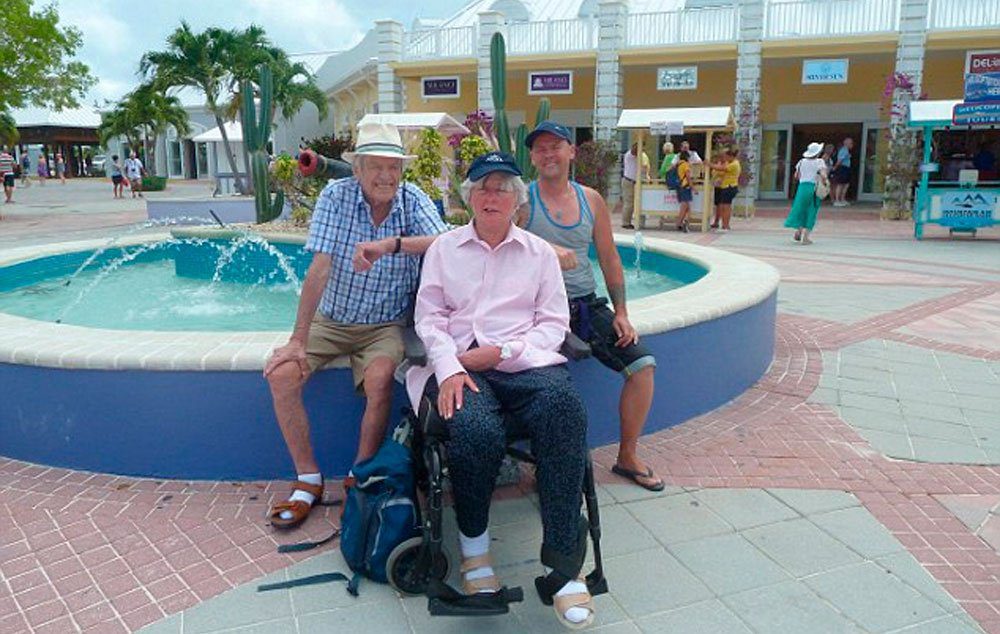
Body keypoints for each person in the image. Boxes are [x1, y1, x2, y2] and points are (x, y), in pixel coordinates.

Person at [408, 151, 595, 628]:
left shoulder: (538, 255)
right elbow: (428, 320)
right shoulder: (444, 250)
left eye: (502, 188)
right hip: (460, 367)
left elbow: (554, 324)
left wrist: (503, 353)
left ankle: (564, 563)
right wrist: (449, 366)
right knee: (473, 430)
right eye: (482, 188)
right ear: (469, 197)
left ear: (517, 200)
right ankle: (475, 555)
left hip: (523, 362)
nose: (491, 196)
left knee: (564, 408)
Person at [263, 122, 448, 529]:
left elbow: (446, 245)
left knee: (381, 378)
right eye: (375, 166)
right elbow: (320, 267)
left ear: (402, 170)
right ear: (358, 169)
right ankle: (307, 479)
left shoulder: (413, 199)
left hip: (385, 323)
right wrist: (297, 340)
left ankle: (359, 477)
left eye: (393, 167)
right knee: (281, 376)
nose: (385, 176)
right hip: (333, 318)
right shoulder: (335, 196)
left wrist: (391, 245)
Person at [520, 120, 663, 492]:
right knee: (544, 384)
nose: (549, 153)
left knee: (642, 365)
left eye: (556, 146)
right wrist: (547, 251)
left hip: (583, 303)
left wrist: (621, 312)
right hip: (534, 308)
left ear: (571, 152)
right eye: (541, 148)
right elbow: (503, 243)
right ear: (533, 157)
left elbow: (610, 258)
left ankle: (627, 456)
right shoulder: (523, 200)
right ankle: (545, 464)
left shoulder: (591, 199)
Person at [783, 142, 828, 246]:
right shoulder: (819, 162)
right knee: (811, 210)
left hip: (802, 187)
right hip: (813, 188)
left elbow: (796, 176)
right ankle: (806, 237)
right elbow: (824, 175)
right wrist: (824, 183)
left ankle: (798, 231)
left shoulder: (801, 162)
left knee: (800, 209)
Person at [618, 142, 650, 229]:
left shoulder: (640, 156)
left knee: (639, 202)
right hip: (629, 181)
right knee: (629, 203)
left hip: (636, 182)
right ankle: (626, 222)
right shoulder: (630, 155)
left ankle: (638, 222)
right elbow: (634, 150)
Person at [710, 148, 741, 232]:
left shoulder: (734, 164)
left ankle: (726, 225)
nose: (725, 158)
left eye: (727, 156)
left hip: (730, 186)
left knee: (726, 207)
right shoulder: (731, 163)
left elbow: (722, 169)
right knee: (723, 206)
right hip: (725, 186)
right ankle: (724, 224)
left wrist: (709, 164)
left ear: (731, 156)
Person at [674, 150, 694, 232]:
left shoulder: (678, 164)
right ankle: (679, 223)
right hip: (685, 186)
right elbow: (688, 177)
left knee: (687, 208)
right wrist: (692, 187)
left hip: (680, 186)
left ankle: (685, 222)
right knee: (685, 206)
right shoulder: (686, 165)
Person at [831, 137, 853, 207]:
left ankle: (842, 199)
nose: (852, 145)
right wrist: (835, 167)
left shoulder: (846, 150)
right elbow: (840, 160)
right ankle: (837, 200)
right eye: (851, 143)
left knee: (845, 185)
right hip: (842, 168)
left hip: (846, 168)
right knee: (840, 184)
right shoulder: (844, 150)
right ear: (846, 143)